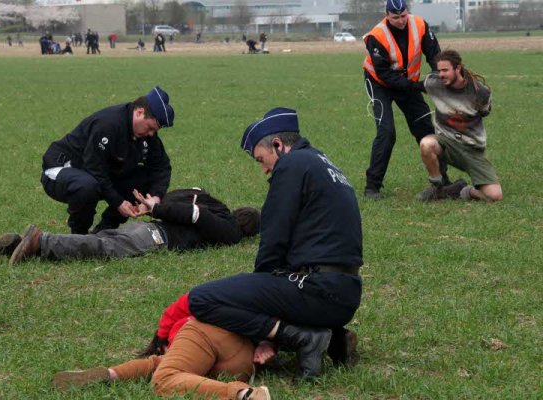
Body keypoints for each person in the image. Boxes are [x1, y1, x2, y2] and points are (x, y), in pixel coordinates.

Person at [187, 108, 363, 379]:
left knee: (201, 299)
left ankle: (304, 338)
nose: (264, 169)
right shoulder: (323, 163)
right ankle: (334, 338)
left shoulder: (291, 166)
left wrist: (262, 316)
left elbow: (273, 240)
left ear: (279, 145)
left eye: (261, 159)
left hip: (317, 289)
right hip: (346, 295)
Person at [51, 293, 272, 399]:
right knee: (162, 364)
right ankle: (110, 374)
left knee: (164, 376)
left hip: (204, 334)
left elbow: (180, 306)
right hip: (245, 360)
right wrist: (269, 342)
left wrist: (162, 338)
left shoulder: (189, 317)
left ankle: (243, 394)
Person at [0, 188, 261, 264]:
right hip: (158, 236)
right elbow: (195, 215)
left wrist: (157, 205)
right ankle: (41, 241)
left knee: (102, 240)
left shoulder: (212, 201)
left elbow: (185, 197)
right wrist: (157, 208)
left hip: (154, 228)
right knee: (103, 245)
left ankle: (16, 244)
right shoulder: (229, 227)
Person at [39, 87, 174, 235]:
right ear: (139, 112)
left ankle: (104, 231)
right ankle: (79, 237)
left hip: (93, 174)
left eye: (155, 131)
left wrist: (155, 197)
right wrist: (118, 202)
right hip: (60, 169)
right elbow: (94, 167)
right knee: (87, 185)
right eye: (150, 128)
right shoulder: (109, 124)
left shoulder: (146, 135)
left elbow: (161, 167)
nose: (151, 134)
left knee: (145, 178)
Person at [362, 0, 443, 200]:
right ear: (387, 15)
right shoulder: (376, 36)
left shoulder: (420, 25)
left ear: (408, 12)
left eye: (403, 15)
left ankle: (442, 181)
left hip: (408, 82)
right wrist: (418, 87)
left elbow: (434, 54)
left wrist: (439, 74)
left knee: (425, 128)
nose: (400, 21)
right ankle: (372, 187)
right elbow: (385, 74)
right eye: (395, 17)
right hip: (379, 83)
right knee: (387, 132)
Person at [415, 50, 503, 202]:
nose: (441, 74)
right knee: (426, 144)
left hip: (472, 149)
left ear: (458, 68)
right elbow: (412, 86)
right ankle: (438, 189)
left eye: (445, 70)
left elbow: (485, 111)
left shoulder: (480, 92)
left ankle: (464, 191)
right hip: (446, 143)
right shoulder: (434, 83)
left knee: (495, 196)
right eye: (439, 70)